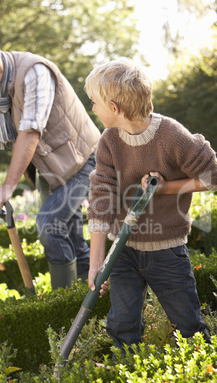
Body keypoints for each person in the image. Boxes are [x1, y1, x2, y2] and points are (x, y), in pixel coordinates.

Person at [84, 57, 217, 352]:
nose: (92, 108)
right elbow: (101, 200)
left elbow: (212, 177)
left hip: (167, 250)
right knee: (122, 323)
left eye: (94, 102)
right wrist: (97, 263)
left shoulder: (171, 136)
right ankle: (128, 376)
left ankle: (206, 371)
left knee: (188, 323)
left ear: (114, 108)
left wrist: (166, 188)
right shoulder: (108, 142)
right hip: (124, 250)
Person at [0, 30, 101, 290]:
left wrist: (8, 187)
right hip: (50, 169)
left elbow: (31, 130)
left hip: (83, 158)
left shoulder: (34, 71)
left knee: (49, 224)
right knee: (72, 241)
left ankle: (63, 302)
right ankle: (92, 298)